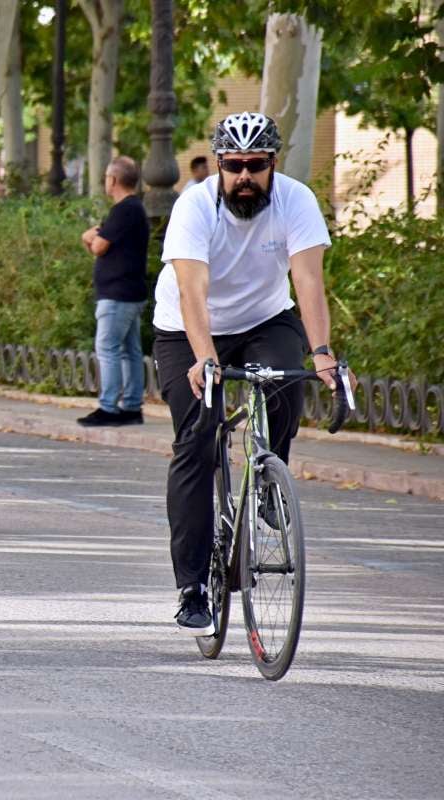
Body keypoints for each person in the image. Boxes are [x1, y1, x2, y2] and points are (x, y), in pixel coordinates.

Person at [155, 112, 349, 634]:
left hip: (265, 318)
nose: (244, 175)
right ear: (219, 164)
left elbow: (308, 281)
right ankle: (192, 586)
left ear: (272, 164)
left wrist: (323, 352)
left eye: (255, 165)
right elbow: (192, 291)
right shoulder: (195, 206)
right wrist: (204, 357)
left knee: (286, 380)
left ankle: (269, 478)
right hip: (186, 331)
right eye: (234, 165)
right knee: (198, 438)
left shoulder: (295, 200)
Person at [77, 155, 150, 427]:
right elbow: (103, 246)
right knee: (130, 350)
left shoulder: (124, 209)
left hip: (117, 295)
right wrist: (93, 239)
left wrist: (88, 237)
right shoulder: (135, 209)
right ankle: (131, 406)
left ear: (113, 180)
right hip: (130, 292)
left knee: (107, 348)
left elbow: (98, 246)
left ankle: (109, 407)